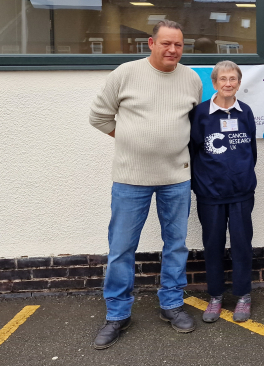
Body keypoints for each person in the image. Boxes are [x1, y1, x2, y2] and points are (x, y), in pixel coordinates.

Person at [89, 20, 203, 349]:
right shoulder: (125, 74)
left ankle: (171, 305)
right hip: (130, 178)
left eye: (178, 45)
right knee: (122, 248)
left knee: (176, 244)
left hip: (176, 178)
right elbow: (98, 116)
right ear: (151, 43)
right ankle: (117, 314)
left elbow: (193, 122)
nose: (172, 50)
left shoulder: (192, 79)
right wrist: (128, 139)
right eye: (166, 43)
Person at [188, 61, 258, 324]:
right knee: (213, 245)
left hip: (241, 193)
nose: (228, 84)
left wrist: (241, 177)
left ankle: (243, 295)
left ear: (239, 83)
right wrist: (203, 183)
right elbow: (194, 150)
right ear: (214, 83)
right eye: (223, 79)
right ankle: (215, 295)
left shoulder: (246, 112)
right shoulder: (201, 114)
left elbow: (250, 151)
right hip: (210, 194)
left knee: (242, 246)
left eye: (233, 79)